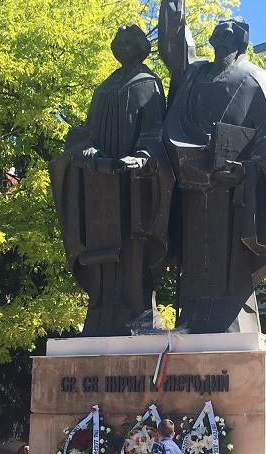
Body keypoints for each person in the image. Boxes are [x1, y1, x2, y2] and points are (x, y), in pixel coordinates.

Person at [158, 2, 266, 334]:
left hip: (235, 194)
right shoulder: (194, 74)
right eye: (219, 32)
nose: (224, 37)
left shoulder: (255, 78)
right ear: (211, 39)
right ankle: (192, 320)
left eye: (232, 33)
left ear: (242, 41)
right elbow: (173, 40)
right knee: (194, 263)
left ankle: (231, 323)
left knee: (229, 268)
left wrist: (246, 171)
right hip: (192, 188)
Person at [49, 24, 175, 336]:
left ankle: (137, 314)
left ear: (141, 48)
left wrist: (141, 158)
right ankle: (99, 316)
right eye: (119, 43)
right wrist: (89, 153)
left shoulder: (148, 83)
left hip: (133, 185)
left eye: (129, 43)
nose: (123, 48)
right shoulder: (104, 88)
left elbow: (155, 133)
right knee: (100, 249)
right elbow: (88, 133)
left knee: (132, 249)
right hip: (99, 187)